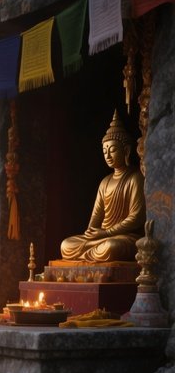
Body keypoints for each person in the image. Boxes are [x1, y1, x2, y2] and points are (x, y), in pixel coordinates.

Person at [60, 111, 145, 262]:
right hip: (100, 238)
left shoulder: (135, 177)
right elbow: (96, 216)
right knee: (66, 245)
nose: (108, 156)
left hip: (125, 237)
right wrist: (91, 233)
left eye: (112, 150)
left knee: (112, 247)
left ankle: (89, 256)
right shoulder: (105, 182)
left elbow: (136, 218)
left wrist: (106, 233)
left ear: (126, 151)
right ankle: (90, 255)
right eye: (105, 151)